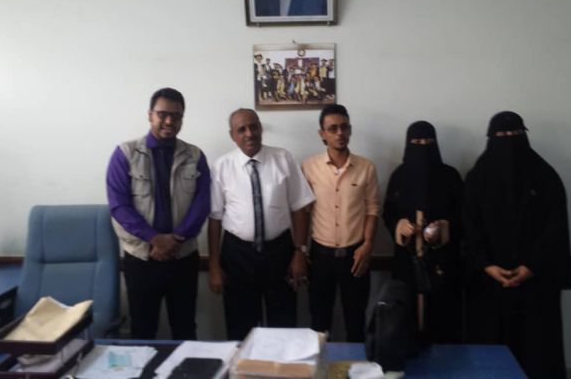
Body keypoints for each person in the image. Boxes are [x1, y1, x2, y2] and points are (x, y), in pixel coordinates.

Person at [463, 111, 571, 379]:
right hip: (489, 283)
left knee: (538, 352)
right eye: (501, 135)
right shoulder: (477, 178)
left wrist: (531, 266)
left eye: (514, 134)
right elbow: (469, 225)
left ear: (524, 136)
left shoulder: (545, 177)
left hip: (537, 283)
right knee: (491, 352)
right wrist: (487, 265)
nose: (508, 140)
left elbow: (555, 228)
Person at [106, 87, 210, 339]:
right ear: (150, 114)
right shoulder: (125, 154)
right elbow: (119, 205)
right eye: (163, 114)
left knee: (185, 329)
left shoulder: (194, 155)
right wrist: (154, 239)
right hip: (142, 259)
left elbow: (203, 202)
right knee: (143, 331)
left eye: (176, 116)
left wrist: (176, 239)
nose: (169, 121)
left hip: (183, 257)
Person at [208, 108, 314, 340]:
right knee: (240, 329)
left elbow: (300, 207)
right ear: (232, 135)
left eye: (253, 126)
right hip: (237, 255)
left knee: (283, 324)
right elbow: (215, 218)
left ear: (261, 128)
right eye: (241, 129)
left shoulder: (283, 158)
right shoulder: (222, 166)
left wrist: (299, 252)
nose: (249, 133)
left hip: (279, 252)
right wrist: (214, 265)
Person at [302, 104, 380, 341]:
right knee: (319, 322)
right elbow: (303, 212)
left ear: (350, 130)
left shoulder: (366, 167)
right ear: (322, 134)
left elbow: (372, 209)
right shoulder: (309, 167)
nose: (339, 133)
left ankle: (355, 364)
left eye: (344, 127)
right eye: (333, 128)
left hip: (355, 255)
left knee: (355, 322)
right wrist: (301, 250)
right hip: (320, 256)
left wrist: (368, 245)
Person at [383, 121, 463, 344]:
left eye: (428, 141)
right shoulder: (399, 176)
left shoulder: (450, 176)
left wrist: (444, 228)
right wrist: (400, 226)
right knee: (406, 318)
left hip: (443, 263)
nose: (423, 146)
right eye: (417, 142)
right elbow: (388, 213)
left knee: (443, 321)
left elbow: (465, 215)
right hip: (406, 262)